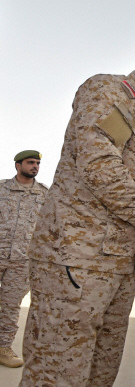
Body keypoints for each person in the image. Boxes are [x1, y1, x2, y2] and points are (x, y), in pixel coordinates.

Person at [19, 35, 135, 387]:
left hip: (122, 263)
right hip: (77, 257)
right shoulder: (110, 93)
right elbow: (99, 164)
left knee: (100, 372)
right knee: (57, 372)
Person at [0, 151, 48, 368]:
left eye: (37, 163)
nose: (35, 166)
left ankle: (3, 348)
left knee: (10, 306)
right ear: (18, 165)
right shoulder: (1, 189)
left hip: (22, 262)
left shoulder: (44, 194)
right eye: (30, 162)